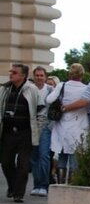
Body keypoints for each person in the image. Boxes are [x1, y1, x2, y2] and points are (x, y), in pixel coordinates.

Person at [0, 64, 42, 202]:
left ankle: (18, 193)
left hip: (25, 132)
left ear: (23, 76)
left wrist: (38, 130)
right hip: (7, 131)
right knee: (6, 162)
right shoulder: (5, 89)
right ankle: (12, 186)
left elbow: (40, 111)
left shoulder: (32, 89)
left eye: (14, 72)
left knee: (23, 165)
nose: (11, 74)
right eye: (11, 71)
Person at [46, 64, 89, 184]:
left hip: (62, 125)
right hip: (78, 125)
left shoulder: (62, 86)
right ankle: (72, 184)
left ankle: (60, 184)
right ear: (82, 74)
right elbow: (89, 106)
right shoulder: (86, 88)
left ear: (69, 74)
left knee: (62, 156)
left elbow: (49, 100)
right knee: (75, 156)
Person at [29, 66, 55, 197]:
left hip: (45, 125)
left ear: (45, 77)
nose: (39, 77)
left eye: (41, 75)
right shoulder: (29, 89)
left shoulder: (51, 90)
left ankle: (44, 185)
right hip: (31, 125)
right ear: (34, 76)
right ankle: (36, 184)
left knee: (44, 155)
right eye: (37, 75)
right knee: (34, 157)